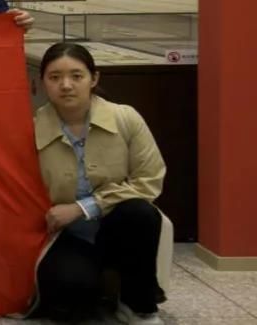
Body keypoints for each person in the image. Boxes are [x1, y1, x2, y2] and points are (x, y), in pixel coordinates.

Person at [31, 42, 166, 324]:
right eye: (55, 77)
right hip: (65, 235)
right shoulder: (30, 128)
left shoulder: (125, 118)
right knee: (70, 295)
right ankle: (96, 286)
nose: (66, 85)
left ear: (94, 78)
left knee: (140, 213)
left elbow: (149, 180)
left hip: (117, 225)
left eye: (76, 76)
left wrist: (84, 207)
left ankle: (137, 304)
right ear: (43, 83)